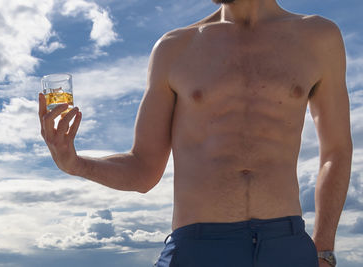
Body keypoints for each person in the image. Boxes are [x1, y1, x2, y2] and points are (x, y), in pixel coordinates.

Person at [38, 0, 352, 266]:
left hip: (287, 245)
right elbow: (143, 169)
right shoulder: (174, 47)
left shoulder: (318, 37)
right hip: (197, 247)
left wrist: (324, 248)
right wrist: (75, 163)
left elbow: (336, 150)